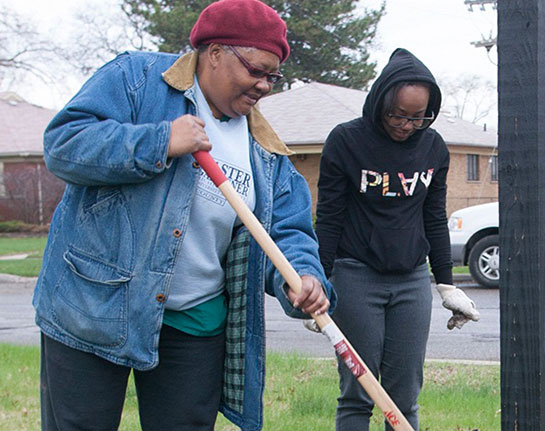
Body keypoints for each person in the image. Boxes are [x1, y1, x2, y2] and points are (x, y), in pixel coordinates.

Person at [32, 1, 334, 430]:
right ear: (214, 52)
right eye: (256, 70)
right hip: (95, 306)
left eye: (274, 76)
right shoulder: (135, 79)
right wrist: (159, 140)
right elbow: (64, 144)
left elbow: (289, 232)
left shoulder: (266, 151)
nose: (265, 86)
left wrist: (304, 276)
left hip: (195, 323)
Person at [314, 48, 480, 431]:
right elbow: (330, 218)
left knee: (404, 396)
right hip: (355, 275)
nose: (406, 125)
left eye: (417, 117)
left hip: (410, 280)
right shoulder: (346, 141)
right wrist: (320, 281)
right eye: (397, 115)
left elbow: (433, 216)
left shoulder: (432, 147)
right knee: (359, 391)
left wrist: (445, 283)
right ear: (380, 102)